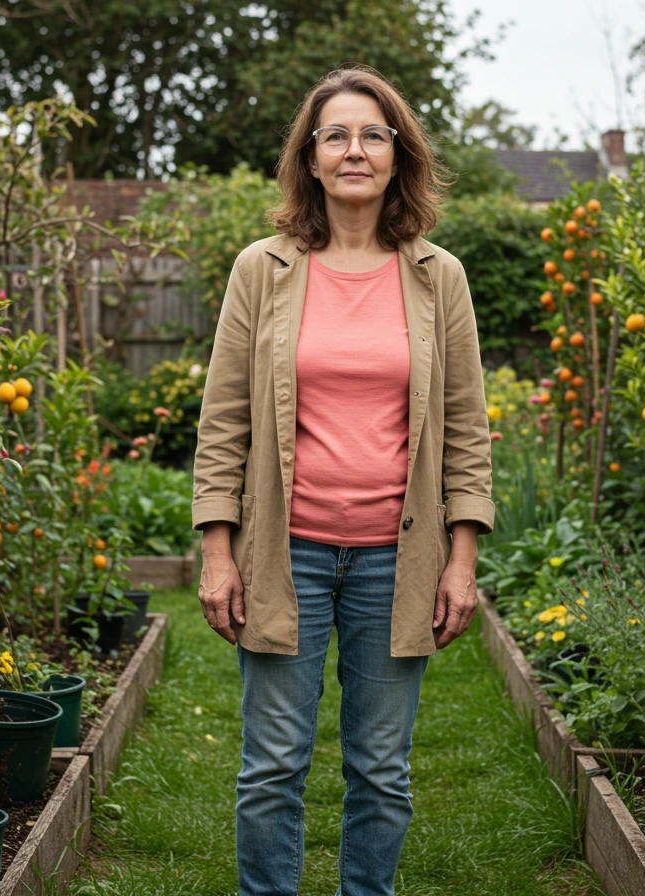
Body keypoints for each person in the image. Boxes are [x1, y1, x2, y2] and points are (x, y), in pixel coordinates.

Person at [189, 64, 495, 896]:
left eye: (372, 134)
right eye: (336, 136)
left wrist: (461, 561)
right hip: (285, 554)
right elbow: (224, 422)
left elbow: (467, 431)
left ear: (398, 155)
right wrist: (218, 555)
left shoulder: (441, 278)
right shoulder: (263, 269)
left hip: (397, 563)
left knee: (382, 772)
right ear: (311, 159)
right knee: (272, 767)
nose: (354, 149)